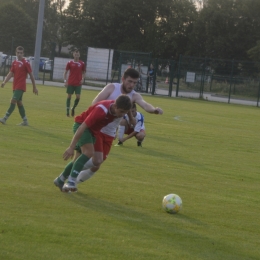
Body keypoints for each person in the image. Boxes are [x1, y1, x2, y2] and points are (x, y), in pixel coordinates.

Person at [74, 68, 163, 184]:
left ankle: (72, 180)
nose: (132, 85)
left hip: (110, 133)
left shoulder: (134, 96)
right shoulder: (112, 87)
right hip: (96, 129)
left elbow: (145, 105)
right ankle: (68, 181)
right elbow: (95, 102)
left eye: (135, 83)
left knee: (97, 164)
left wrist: (154, 110)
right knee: (85, 157)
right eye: (129, 81)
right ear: (123, 79)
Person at [54, 94, 132, 192]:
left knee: (88, 159)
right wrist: (71, 147)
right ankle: (71, 181)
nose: (122, 115)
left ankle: (60, 179)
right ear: (115, 106)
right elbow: (82, 126)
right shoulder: (101, 110)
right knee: (89, 152)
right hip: (83, 127)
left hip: (93, 132)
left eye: (124, 113)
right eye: (121, 112)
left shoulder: (117, 110)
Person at [0, 46, 38, 126]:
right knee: (19, 103)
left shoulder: (26, 63)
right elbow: (11, 73)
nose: (19, 54)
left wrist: (34, 87)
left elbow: (31, 75)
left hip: (21, 86)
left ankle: (4, 118)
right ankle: (25, 121)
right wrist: (4, 82)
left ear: (23, 53)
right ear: (16, 53)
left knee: (13, 100)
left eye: (21, 53)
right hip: (15, 85)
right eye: (18, 53)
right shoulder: (14, 62)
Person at [64, 49, 86, 117]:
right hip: (70, 82)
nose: (77, 56)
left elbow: (83, 72)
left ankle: (73, 108)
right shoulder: (69, 62)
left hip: (78, 83)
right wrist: (65, 81)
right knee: (69, 96)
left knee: (78, 97)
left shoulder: (82, 63)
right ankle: (67, 112)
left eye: (78, 54)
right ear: (73, 55)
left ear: (79, 55)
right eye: (75, 54)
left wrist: (82, 79)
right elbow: (65, 72)